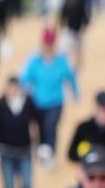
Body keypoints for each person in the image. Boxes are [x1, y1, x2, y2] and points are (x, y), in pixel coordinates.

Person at [19, 27, 79, 165]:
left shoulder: (61, 61)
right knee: (39, 129)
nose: (48, 47)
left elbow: (70, 77)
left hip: (56, 101)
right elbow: (25, 78)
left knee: (50, 126)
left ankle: (51, 153)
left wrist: (75, 93)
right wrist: (25, 90)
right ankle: (42, 154)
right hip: (38, 101)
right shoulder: (34, 61)